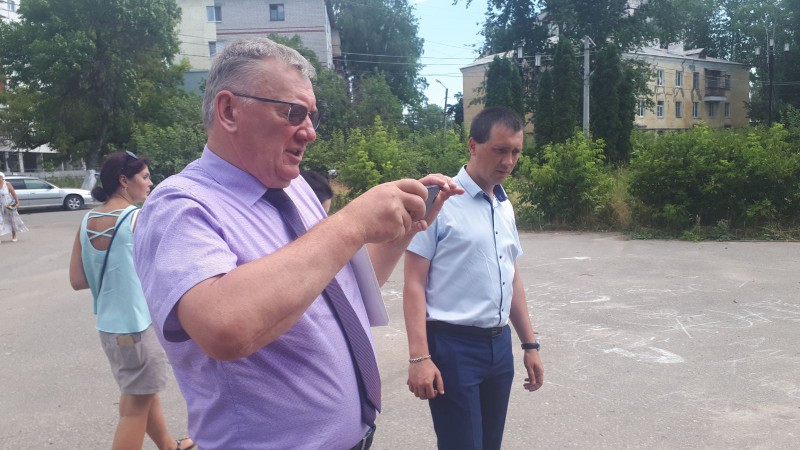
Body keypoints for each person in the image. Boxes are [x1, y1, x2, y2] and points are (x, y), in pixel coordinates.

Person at [132, 38, 463, 449]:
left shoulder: (295, 188)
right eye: (292, 113)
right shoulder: (179, 205)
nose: (309, 132)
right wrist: (352, 223)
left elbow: (343, 291)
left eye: (312, 117)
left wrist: (404, 231)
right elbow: (224, 328)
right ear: (229, 110)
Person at [403, 106, 544, 450]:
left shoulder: (504, 205)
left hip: (499, 347)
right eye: (500, 150)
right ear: (473, 146)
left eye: (515, 152)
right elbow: (413, 283)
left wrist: (530, 345)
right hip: (454, 348)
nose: (508, 161)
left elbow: (511, 278)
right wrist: (419, 357)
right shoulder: (438, 200)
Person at [68, 152, 195, 450]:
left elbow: (77, 280)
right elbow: (170, 269)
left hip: (110, 328)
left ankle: (169, 446)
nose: (150, 183)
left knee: (142, 394)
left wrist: (114, 276)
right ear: (124, 181)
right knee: (134, 408)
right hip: (139, 326)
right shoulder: (138, 218)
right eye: (145, 177)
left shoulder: (87, 220)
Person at [0, 171, 28, 243]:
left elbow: (13, 194)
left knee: (12, 219)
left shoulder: (7, 184)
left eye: (0, 177)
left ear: (3, 177)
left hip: (9, 204)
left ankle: (14, 235)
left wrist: (17, 202)